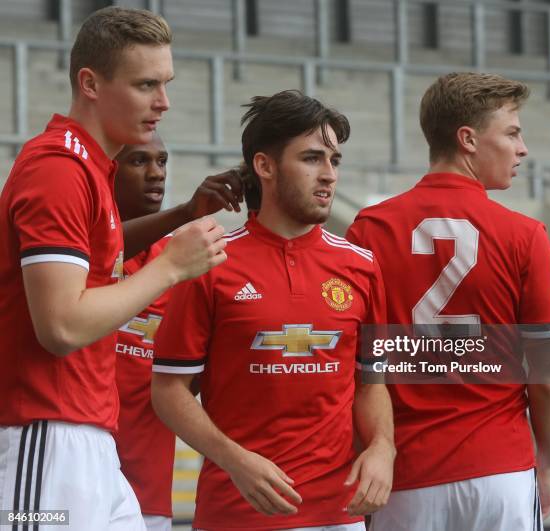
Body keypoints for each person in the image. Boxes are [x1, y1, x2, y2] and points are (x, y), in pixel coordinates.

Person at [0, 7, 233, 531]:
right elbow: (60, 326)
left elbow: (98, 258)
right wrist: (171, 266)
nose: (163, 102)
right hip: (44, 436)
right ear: (90, 82)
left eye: (165, 83)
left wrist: (183, 219)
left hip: (88, 440)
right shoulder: (58, 169)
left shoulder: (85, 168)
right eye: (146, 84)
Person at [151, 90, 396, 531]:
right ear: (264, 166)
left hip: (338, 515)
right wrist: (234, 461)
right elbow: (168, 391)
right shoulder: (209, 261)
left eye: (334, 161)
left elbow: (370, 379)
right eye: (311, 159)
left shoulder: (361, 265)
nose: (328, 176)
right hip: (237, 513)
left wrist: (382, 446)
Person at [346, 72, 550, 531]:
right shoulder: (525, 235)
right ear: (467, 139)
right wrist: (548, 464)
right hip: (499, 472)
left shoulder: (369, 230)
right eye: (511, 132)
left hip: (405, 478)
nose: (522, 148)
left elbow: (361, 365)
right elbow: (548, 374)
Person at [112, 134, 243, 531]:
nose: (156, 174)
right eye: (138, 161)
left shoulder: (182, 265)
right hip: (60, 470)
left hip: (148, 491)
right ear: (107, 170)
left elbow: (189, 380)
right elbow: (100, 245)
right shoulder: (65, 255)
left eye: (163, 161)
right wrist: (186, 212)